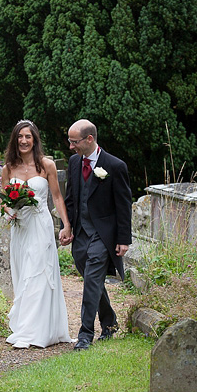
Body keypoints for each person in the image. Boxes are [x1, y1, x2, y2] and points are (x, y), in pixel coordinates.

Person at [1, 120, 74, 349]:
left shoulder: (46, 165)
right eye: (20, 137)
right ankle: (27, 327)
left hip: (41, 227)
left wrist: (66, 225)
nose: (24, 141)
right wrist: (9, 211)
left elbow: (57, 197)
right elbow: (5, 200)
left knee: (39, 274)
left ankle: (33, 333)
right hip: (21, 229)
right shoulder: (8, 168)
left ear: (34, 139)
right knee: (24, 275)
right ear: (15, 140)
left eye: (28, 137)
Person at [61, 119, 132, 351]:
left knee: (92, 280)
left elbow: (124, 205)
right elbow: (71, 198)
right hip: (81, 233)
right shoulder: (74, 162)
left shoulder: (115, 165)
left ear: (89, 139)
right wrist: (67, 226)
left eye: (75, 142)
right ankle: (110, 322)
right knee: (93, 280)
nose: (71, 147)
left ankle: (85, 334)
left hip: (103, 234)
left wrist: (123, 239)